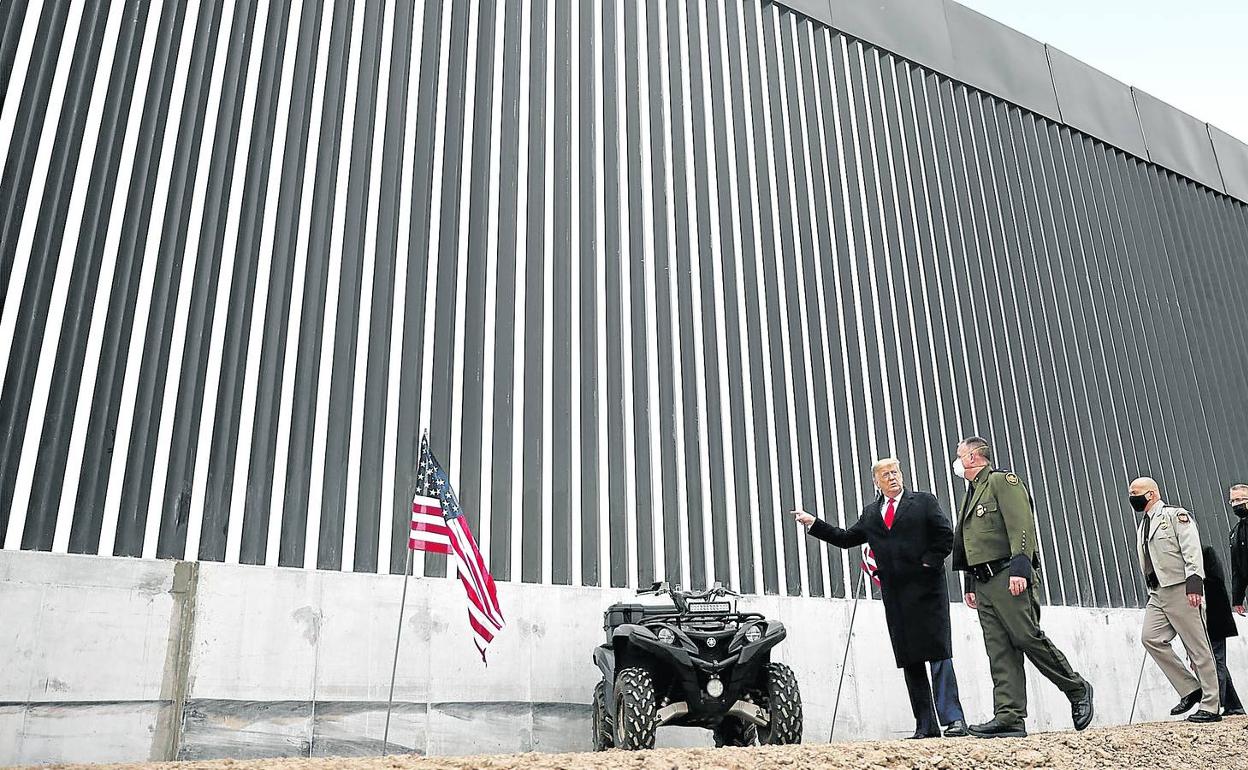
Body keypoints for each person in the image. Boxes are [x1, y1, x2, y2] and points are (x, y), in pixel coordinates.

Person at [793, 458, 969, 739]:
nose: (892, 478)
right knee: (910, 658)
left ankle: (954, 719)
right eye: (885, 475)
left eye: (895, 472)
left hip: (927, 592)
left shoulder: (924, 502)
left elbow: (945, 536)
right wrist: (814, 523)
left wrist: (927, 563)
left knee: (938, 654)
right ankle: (926, 725)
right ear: (876, 482)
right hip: (896, 597)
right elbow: (846, 538)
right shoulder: (872, 513)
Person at [951, 437, 1094, 738]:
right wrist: (970, 582)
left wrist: (1021, 568)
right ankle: (1009, 716)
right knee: (999, 650)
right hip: (984, 582)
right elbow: (970, 542)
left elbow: (1022, 526)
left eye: (960, 455)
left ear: (975, 457)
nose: (957, 460)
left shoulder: (1003, 481)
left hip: (1008, 574)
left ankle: (1076, 687)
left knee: (1026, 637)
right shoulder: (971, 492)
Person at [1129, 476, 1221, 722]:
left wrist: (1195, 582)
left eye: (1136, 493)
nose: (1132, 498)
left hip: (1181, 588)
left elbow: (1191, 547)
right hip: (1158, 593)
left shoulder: (1175, 516)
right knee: (1150, 638)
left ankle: (1211, 706)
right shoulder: (1143, 525)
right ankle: (1191, 689)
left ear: (1152, 494)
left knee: (1198, 647)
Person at [1201, 545, 1244, 716]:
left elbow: (1216, 581)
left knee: (1215, 661)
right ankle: (1234, 705)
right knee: (1217, 662)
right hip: (1206, 619)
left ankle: (1213, 705)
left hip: (1214, 619)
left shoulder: (1206, 552)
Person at [1228, 484, 1248, 617]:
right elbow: (1237, 569)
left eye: (1241, 499)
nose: (1237, 504)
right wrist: (1237, 598)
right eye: (1233, 501)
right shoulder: (1235, 532)